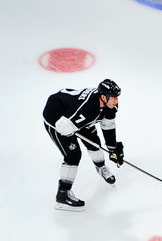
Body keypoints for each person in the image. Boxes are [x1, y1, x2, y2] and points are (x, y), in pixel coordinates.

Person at [42, 79, 124, 211]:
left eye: (117, 97)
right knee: (73, 155)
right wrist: (73, 132)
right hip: (56, 118)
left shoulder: (110, 106)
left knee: (94, 143)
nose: (116, 101)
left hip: (74, 116)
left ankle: (101, 167)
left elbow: (108, 126)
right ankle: (63, 195)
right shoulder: (87, 109)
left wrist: (113, 149)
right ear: (103, 97)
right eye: (114, 97)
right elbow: (63, 128)